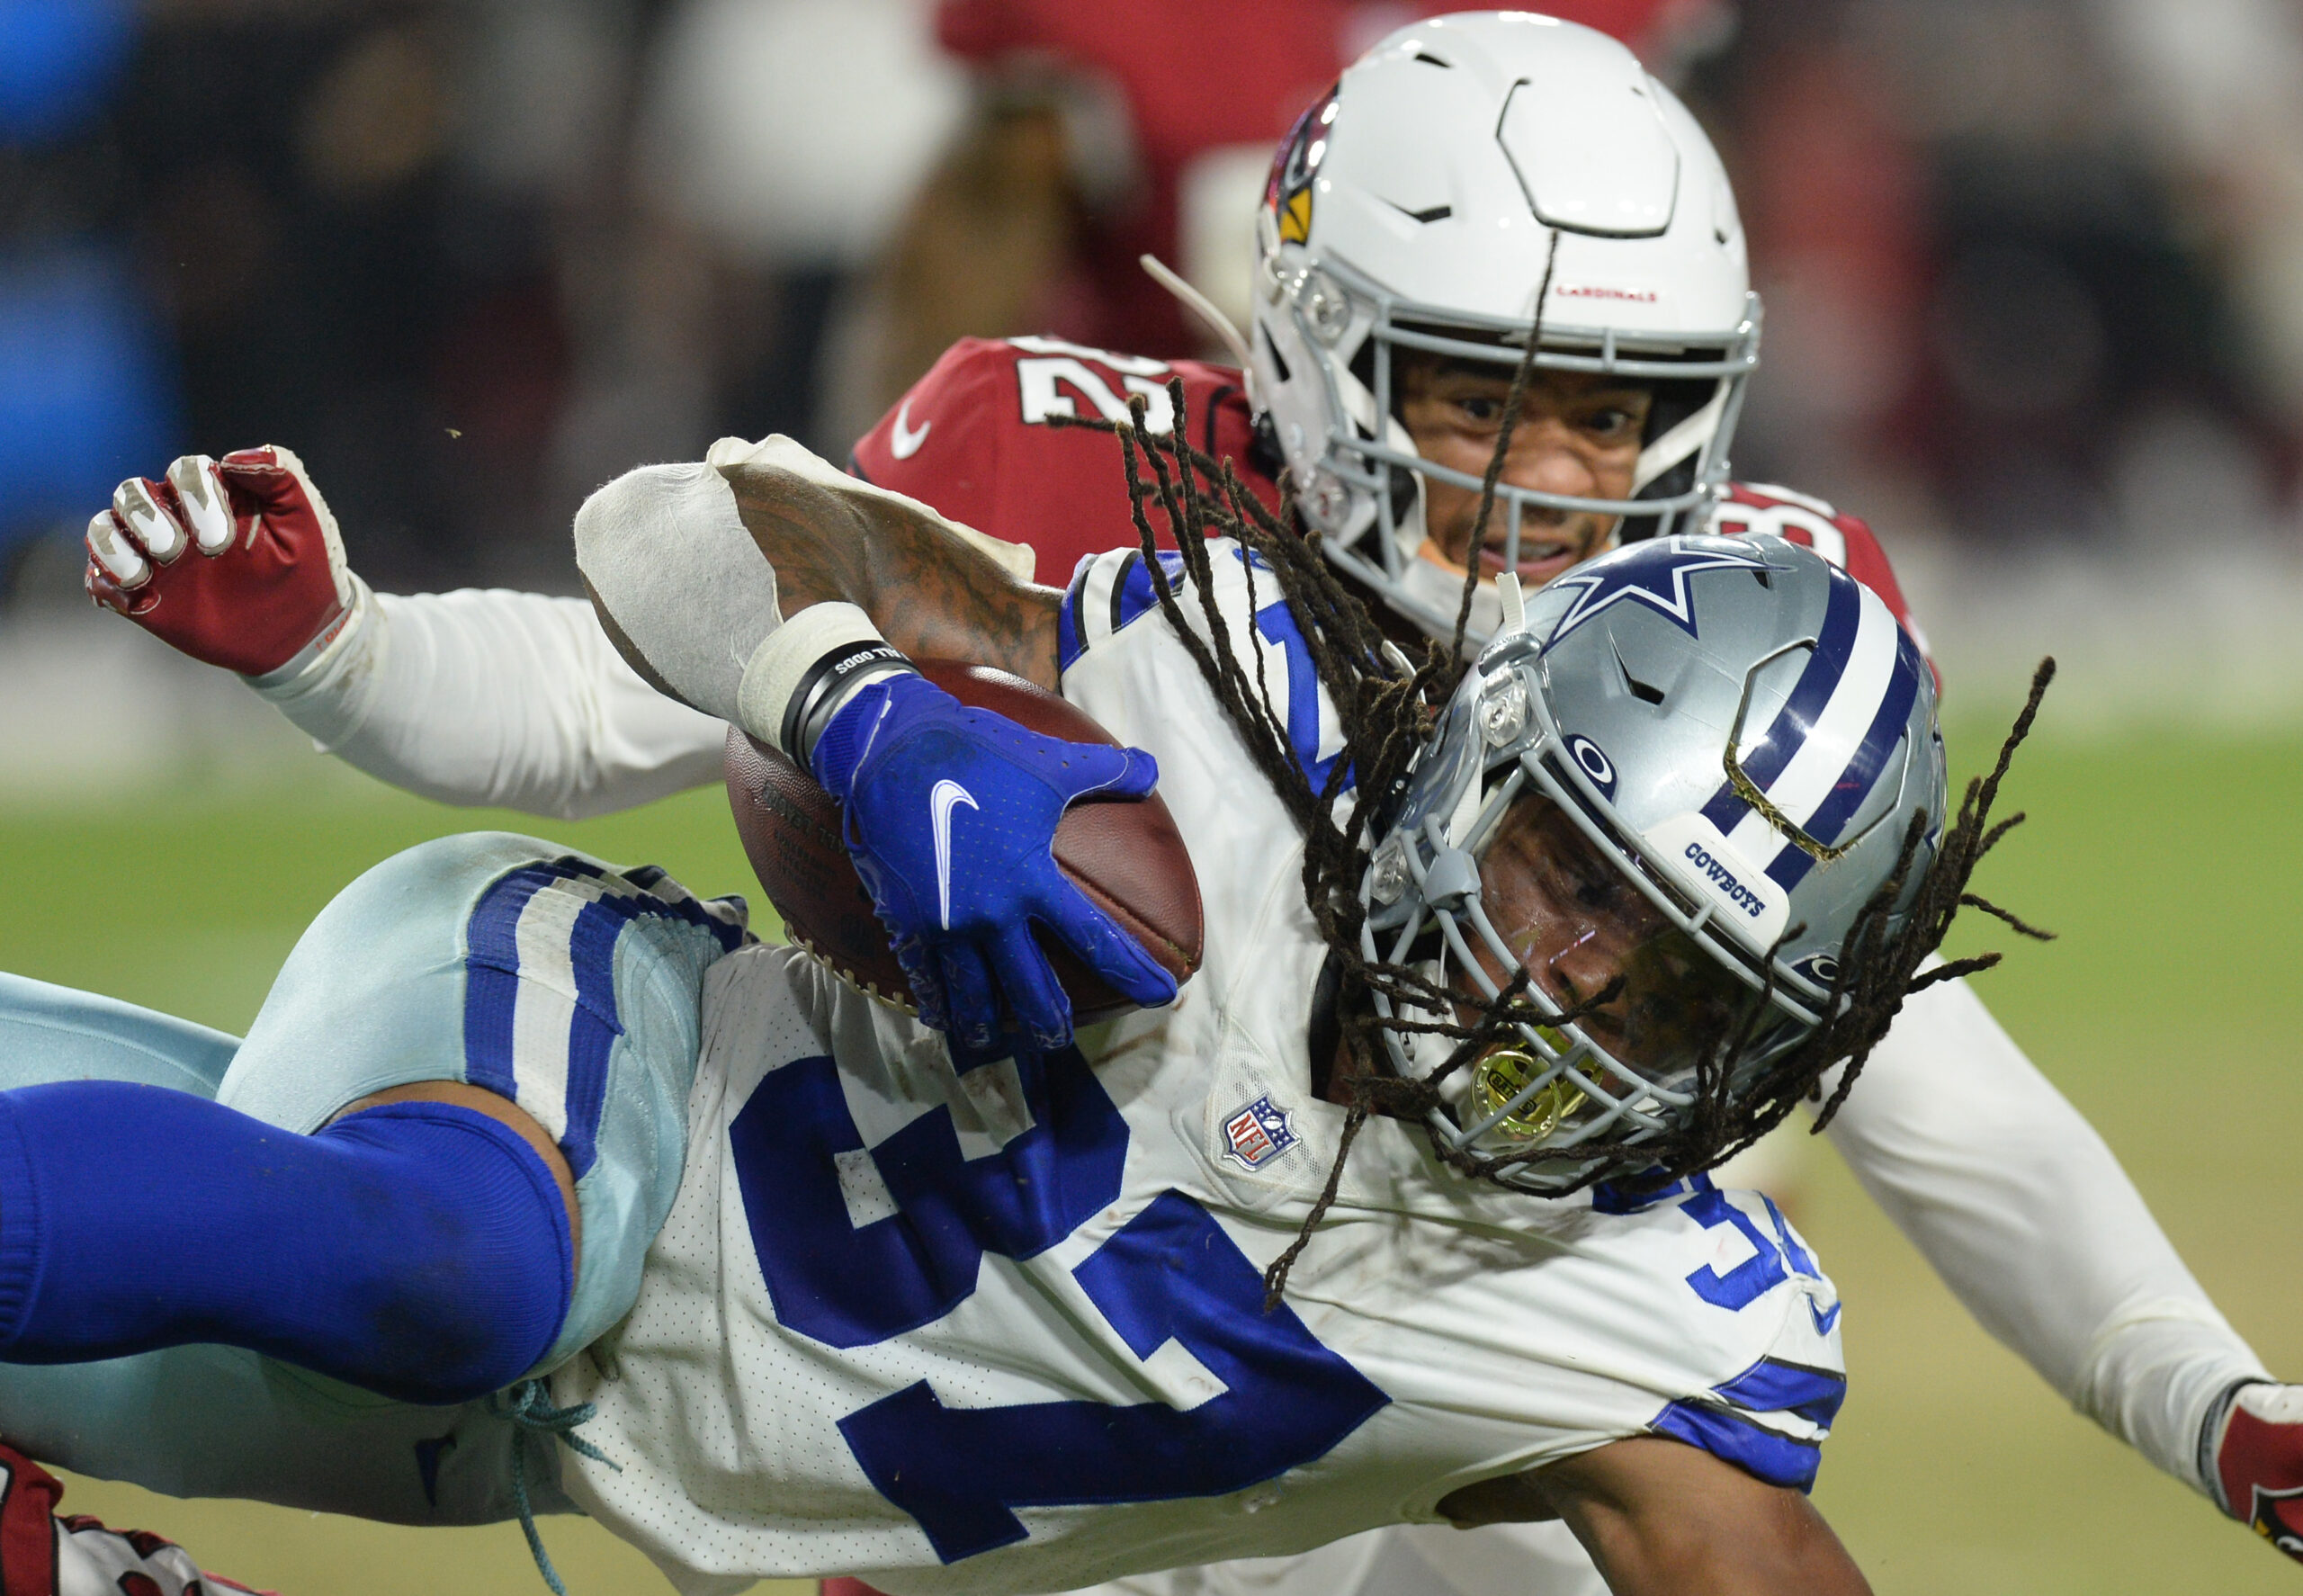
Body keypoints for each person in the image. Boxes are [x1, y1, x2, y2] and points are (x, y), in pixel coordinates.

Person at [75, 12, 2303, 1592]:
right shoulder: (1110, 522)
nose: (1547, 479)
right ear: (1318, 342)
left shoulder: (1732, 645)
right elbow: (630, 658)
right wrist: (403, 655)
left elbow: (1929, 1065)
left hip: (1453, 1321)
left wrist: (2207, 1399)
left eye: (1611, 415)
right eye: (1477, 395)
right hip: (949, 1280)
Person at [14, 418, 1977, 1592]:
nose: (1563, 987)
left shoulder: (1655, 1324)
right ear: (1482, 765)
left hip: (566, 1440)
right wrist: (854, 706)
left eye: (1668, 985)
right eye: (1571, 875)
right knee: (461, 1261)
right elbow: (665, 525)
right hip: (597, 1061)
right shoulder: (1226, 728)